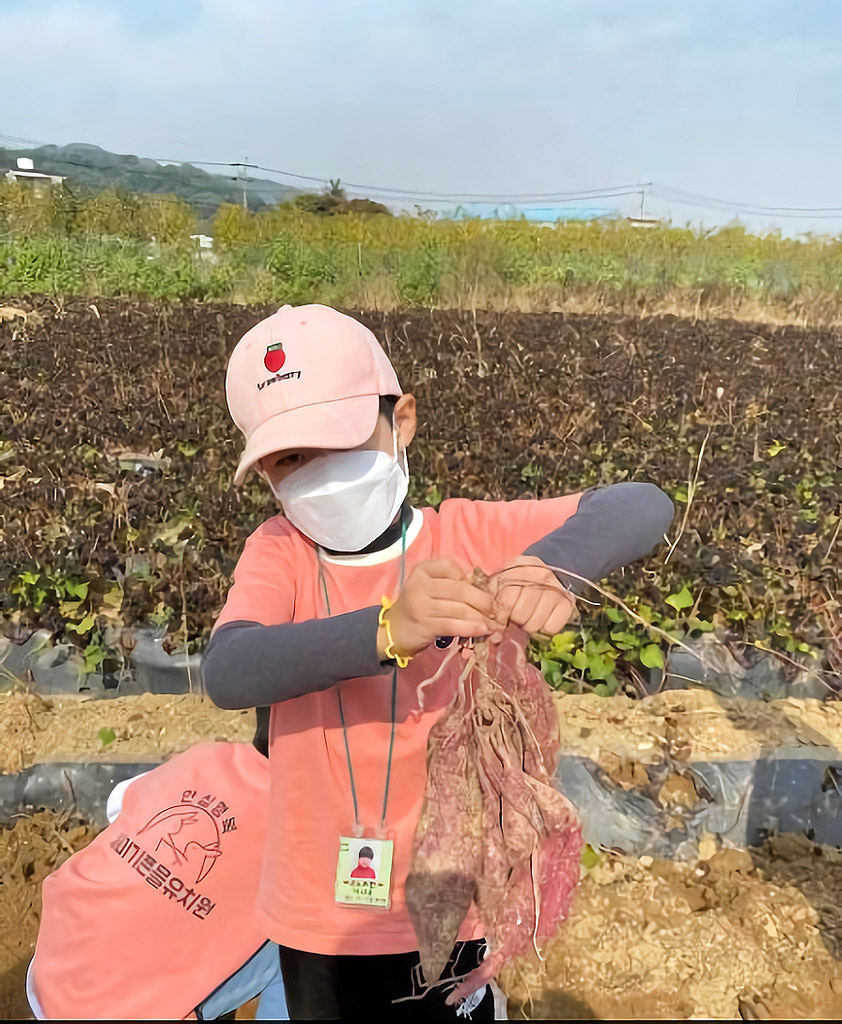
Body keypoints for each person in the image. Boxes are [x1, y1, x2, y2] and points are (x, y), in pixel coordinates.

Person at [204, 303, 674, 1020]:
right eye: (290, 458)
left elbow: (641, 503)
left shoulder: (468, 535)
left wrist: (553, 567)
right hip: (318, 911)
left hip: (454, 898)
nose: (319, 473)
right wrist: (390, 627)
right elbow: (232, 670)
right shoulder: (281, 552)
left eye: (338, 440)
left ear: (403, 422)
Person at [27, 711, 289, 1021]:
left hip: (54, 970)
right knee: (313, 943)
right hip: (130, 1010)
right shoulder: (310, 822)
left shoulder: (204, 758)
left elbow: (118, 805)